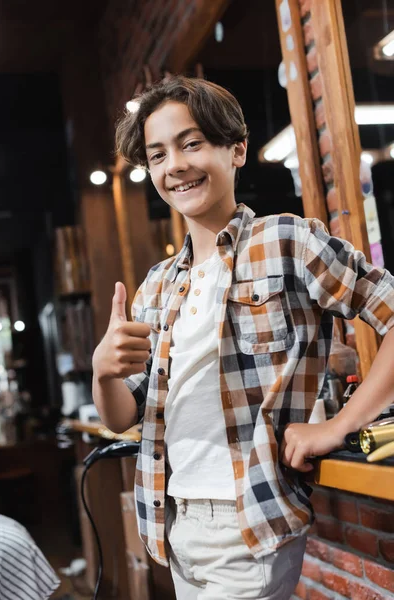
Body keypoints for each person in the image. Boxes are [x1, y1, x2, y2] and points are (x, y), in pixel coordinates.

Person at [92, 76, 394, 600]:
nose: (175, 166)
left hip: (248, 520)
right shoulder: (159, 284)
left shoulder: (287, 240)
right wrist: (104, 371)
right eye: (158, 154)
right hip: (171, 522)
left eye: (192, 143)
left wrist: (341, 425)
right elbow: (123, 416)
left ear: (236, 149)